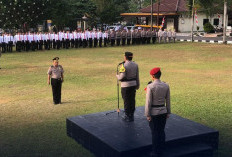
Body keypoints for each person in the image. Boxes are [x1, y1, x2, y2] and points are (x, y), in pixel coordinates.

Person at [145, 67, 171, 157]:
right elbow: (168, 100)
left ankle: (155, 152)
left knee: (155, 132)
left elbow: (148, 102)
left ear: (152, 76)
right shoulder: (166, 85)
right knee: (161, 131)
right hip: (163, 111)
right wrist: (168, 112)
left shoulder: (150, 86)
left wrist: (147, 114)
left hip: (154, 113)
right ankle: (162, 149)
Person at [116, 52, 140, 122]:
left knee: (126, 101)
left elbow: (121, 77)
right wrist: (137, 85)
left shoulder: (123, 65)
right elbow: (137, 76)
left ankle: (127, 115)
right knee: (132, 100)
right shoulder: (135, 64)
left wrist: (117, 76)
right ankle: (131, 114)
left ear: (125, 57)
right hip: (133, 84)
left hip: (125, 85)